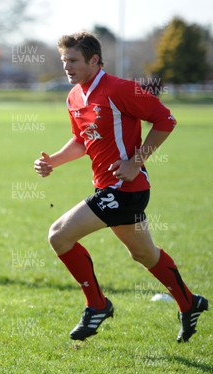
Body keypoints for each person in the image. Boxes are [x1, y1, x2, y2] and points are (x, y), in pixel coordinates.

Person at [34, 32, 207, 342]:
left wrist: (135, 162)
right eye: (64, 61)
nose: (67, 67)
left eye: (73, 60)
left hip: (125, 189)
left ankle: (97, 305)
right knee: (144, 255)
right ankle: (189, 303)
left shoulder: (121, 89)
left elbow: (166, 120)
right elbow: (82, 141)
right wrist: (54, 162)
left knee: (59, 235)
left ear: (94, 60)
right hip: (111, 189)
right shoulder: (74, 96)